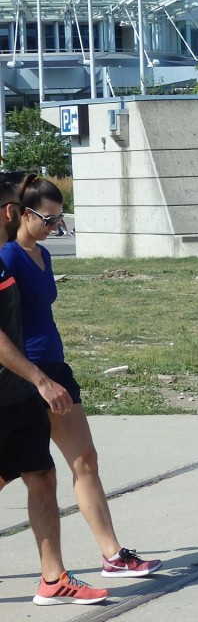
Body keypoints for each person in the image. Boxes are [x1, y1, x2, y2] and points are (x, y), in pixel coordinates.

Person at [1, 175, 161, 584]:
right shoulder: (9, 256)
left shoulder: (43, 255)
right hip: (26, 376)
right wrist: (34, 377)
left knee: (84, 460)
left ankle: (113, 554)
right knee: (17, 473)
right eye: (48, 219)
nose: (55, 228)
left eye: (60, 220)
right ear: (21, 213)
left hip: (55, 369)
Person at [0, 175, 110, 607]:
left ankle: (53, 578)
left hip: (16, 393)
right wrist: (42, 379)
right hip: (17, 388)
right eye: (13, 205)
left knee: (42, 476)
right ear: (13, 212)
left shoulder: (8, 261)